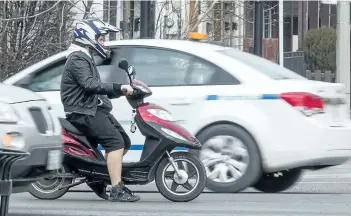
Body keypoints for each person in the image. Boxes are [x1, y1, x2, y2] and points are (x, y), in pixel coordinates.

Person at [60, 18, 140, 202]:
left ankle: (100, 175)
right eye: (101, 38)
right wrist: (118, 87)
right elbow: (89, 85)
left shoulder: (84, 56)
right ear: (88, 36)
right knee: (115, 142)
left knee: (125, 142)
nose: (103, 42)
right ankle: (116, 189)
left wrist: (121, 91)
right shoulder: (78, 58)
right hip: (82, 112)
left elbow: (94, 88)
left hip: (92, 108)